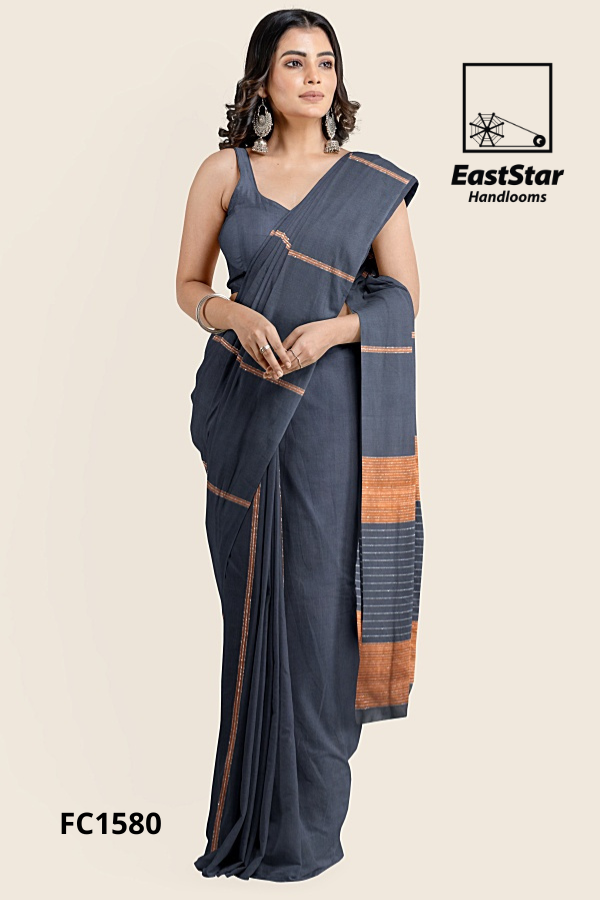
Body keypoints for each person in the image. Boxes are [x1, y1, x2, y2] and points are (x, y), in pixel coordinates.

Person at [176, 8, 424, 883]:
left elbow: (404, 300)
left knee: (322, 617)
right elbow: (188, 284)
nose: (314, 77)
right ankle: (251, 820)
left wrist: (331, 333)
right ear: (263, 79)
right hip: (246, 413)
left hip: (331, 424)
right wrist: (229, 313)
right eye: (294, 62)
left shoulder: (369, 183)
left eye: (326, 62)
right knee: (253, 613)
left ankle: (309, 831)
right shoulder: (224, 173)